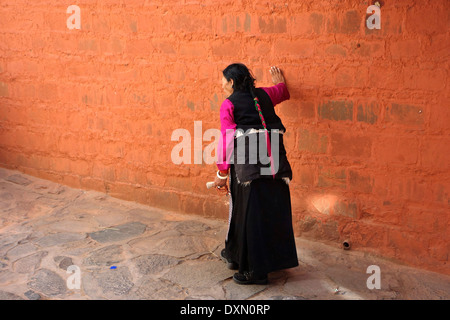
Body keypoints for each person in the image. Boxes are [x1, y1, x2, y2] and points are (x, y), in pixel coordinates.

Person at [212, 63, 299, 285]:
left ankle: (256, 272)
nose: (221, 85)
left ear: (231, 82)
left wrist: (221, 174)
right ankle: (234, 255)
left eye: (223, 81)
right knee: (267, 213)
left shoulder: (228, 104)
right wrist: (279, 82)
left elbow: (227, 140)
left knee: (249, 217)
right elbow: (282, 92)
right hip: (275, 166)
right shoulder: (265, 95)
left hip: (248, 170)